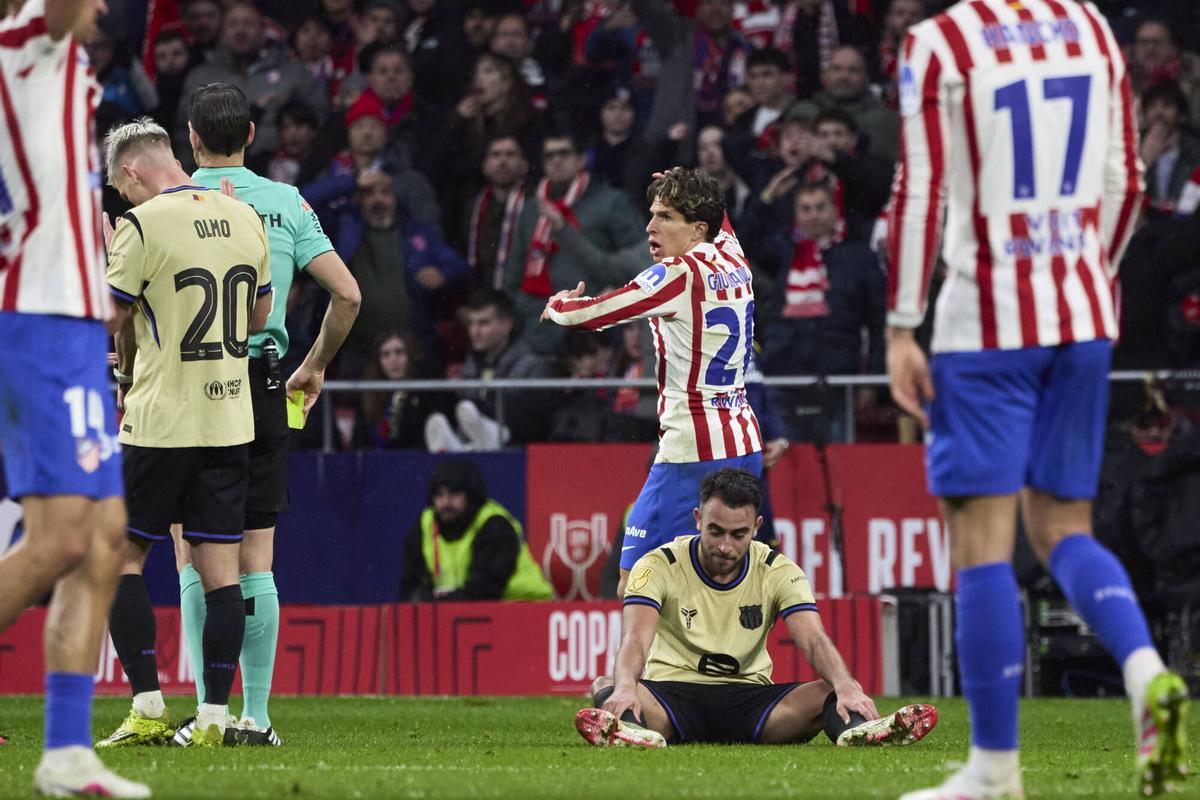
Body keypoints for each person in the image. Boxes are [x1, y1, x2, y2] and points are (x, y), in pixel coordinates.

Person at [886, 2, 1189, 798]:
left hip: (986, 325)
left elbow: (918, 190)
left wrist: (901, 325)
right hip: (1080, 317)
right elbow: (1126, 182)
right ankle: (1148, 674)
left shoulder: (940, 42)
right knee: (1063, 529)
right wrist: (1089, 275)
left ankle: (994, 771)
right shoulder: (1091, 27)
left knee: (981, 545)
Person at [175, 83, 361, 747]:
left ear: (192, 136)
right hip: (262, 382)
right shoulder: (286, 202)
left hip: (190, 384)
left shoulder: (169, 203)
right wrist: (314, 365)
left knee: (193, 553)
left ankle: (208, 714)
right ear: (252, 134)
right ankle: (256, 717)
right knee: (257, 559)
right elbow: (348, 295)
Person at [0, 1, 149, 796]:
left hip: (71, 320)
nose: (101, 7)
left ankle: (65, 752)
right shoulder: (26, 44)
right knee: (60, 539)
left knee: (102, 538)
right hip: (38, 317)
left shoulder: (54, 60)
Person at [101, 118, 272, 750]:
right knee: (221, 573)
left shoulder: (141, 225)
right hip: (229, 420)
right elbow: (258, 316)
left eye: (121, 189)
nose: (124, 199)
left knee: (118, 558)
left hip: (161, 421)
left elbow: (109, 316)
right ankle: (212, 720)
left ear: (131, 171)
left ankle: (148, 706)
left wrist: (109, 264)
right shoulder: (244, 215)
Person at [577, 468, 937, 749]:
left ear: (757, 527)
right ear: (698, 518)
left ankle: (861, 732)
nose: (725, 546)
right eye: (715, 531)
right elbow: (635, 639)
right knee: (611, 685)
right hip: (670, 697)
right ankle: (630, 730)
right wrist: (627, 686)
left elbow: (813, 640)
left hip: (752, 704)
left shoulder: (778, 570)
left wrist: (847, 686)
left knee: (830, 690)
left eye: (738, 534)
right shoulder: (659, 565)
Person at [541, 166, 763, 597]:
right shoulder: (734, 257)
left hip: (691, 453)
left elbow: (597, 313)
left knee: (634, 582)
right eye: (652, 214)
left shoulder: (677, 274)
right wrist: (690, 187)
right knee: (717, 579)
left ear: (697, 229)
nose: (650, 227)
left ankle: (662, 649)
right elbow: (721, 221)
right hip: (743, 443)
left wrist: (559, 307)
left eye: (665, 216)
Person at [401, 459, 553, 600]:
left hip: (525, 606)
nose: (446, 503)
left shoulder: (494, 525)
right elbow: (409, 587)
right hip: (469, 611)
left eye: (454, 494)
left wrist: (437, 601)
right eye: (439, 495)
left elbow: (486, 590)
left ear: (470, 496)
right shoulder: (425, 525)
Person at [424, 289, 553, 451]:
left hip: (516, 451)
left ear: (506, 326)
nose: (474, 332)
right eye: (470, 323)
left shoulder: (532, 365)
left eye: (483, 323)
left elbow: (533, 423)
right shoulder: (471, 366)